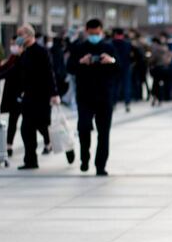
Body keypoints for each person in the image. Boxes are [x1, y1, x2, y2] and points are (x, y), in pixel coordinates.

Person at [66, 18, 118, 176]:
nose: (94, 36)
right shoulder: (79, 48)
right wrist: (81, 62)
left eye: (97, 33)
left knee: (104, 133)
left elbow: (120, 68)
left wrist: (111, 61)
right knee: (83, 127)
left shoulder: (109, 47)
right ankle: (84, 158)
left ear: (101, 31)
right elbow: (69, 68)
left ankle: (100, 165)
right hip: (85, 96)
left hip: (104, 96)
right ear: (86, 32)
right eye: (91, 33)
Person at [15, 24, 60, 170]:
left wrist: (54, 94)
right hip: (28, 97)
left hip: (41, 97)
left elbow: (49, 73)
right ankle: (31, 160)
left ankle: (65, 147)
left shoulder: (42, 51)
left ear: (29, 35)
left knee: (43, 126)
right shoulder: (24, 52)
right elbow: (15, 70)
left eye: (20, 35)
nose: (18, 39)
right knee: (26, 129)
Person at [110, 28, 133, 112]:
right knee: (127, 86)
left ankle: (113, 104)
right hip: (126, 68)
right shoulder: (128, 43)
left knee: (115, 87)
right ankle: (127, 104)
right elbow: (133, 55)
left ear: (115, 34)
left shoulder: (111, 43)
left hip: (114, 68)